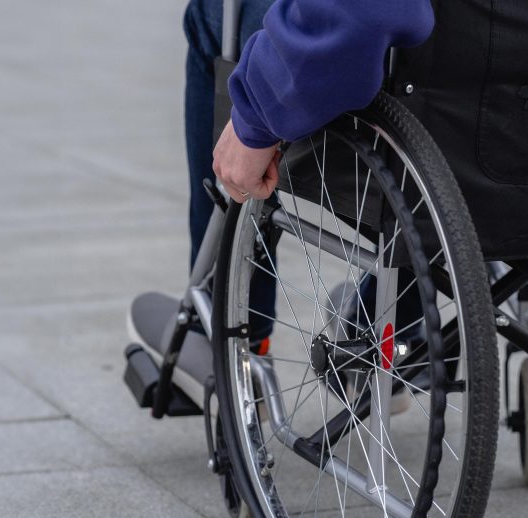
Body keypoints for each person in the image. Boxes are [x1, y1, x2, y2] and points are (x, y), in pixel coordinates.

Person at [183, 0, 435, 342]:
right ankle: (387, 330)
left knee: (211, 13)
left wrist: (254, 113)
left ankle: (232, 337)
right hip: (505, 130)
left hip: (402, 81)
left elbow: (362, 17)